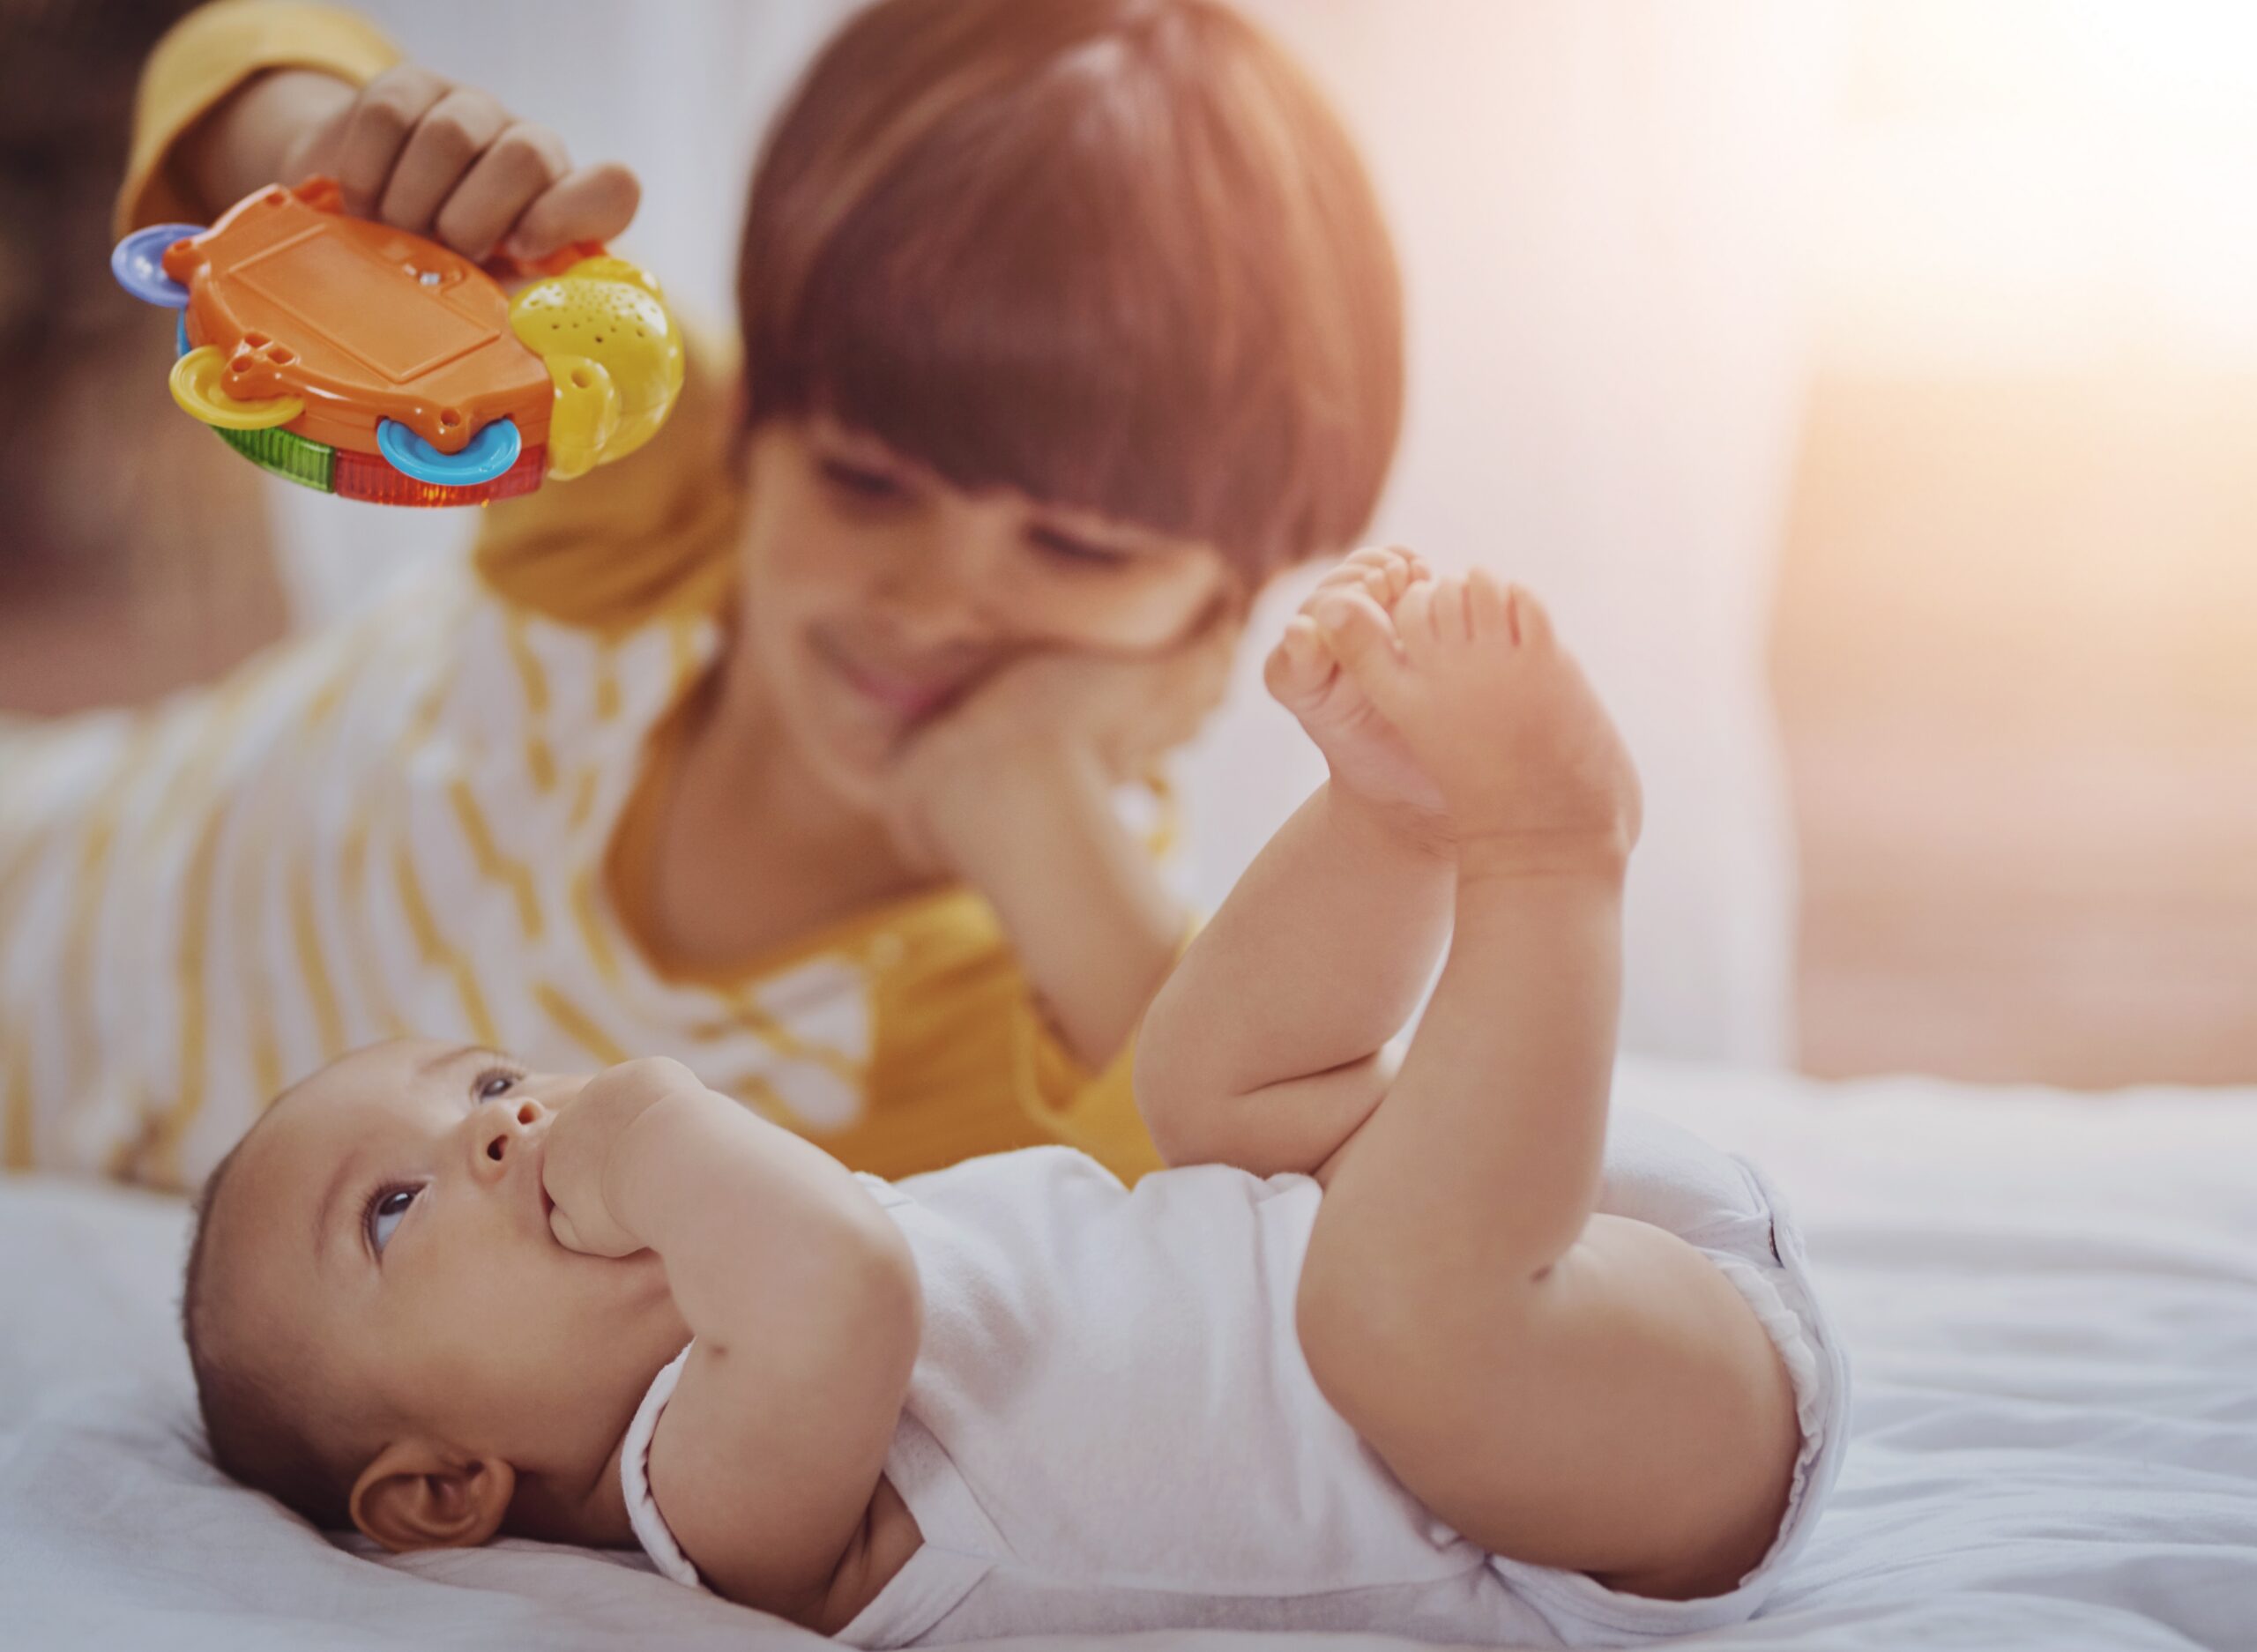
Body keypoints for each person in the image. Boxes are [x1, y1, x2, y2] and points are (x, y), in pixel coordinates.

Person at [179, 557, 1847, 1647]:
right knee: (1390, 1317)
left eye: (483, 1078)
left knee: (1199, 1087)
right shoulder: (706, 1506)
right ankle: (1547, 854)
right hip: (1584, 1479)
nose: (494, 1128)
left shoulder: (722, 1308)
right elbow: (842, 1276)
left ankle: (1391, 819)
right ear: (443, 1489)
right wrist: (646, 1120)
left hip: (1479, 1232)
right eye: (395, 1209)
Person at [0, 0, 1401, 1185]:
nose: (933, 599)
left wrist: (1023, 790)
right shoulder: (655, 480)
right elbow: (228, 49)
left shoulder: (1058, 976)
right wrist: (331, 153)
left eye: (1079, 550)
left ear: (1226, 609)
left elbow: (1282, 1214)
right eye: (866, 482)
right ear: (758, 431)